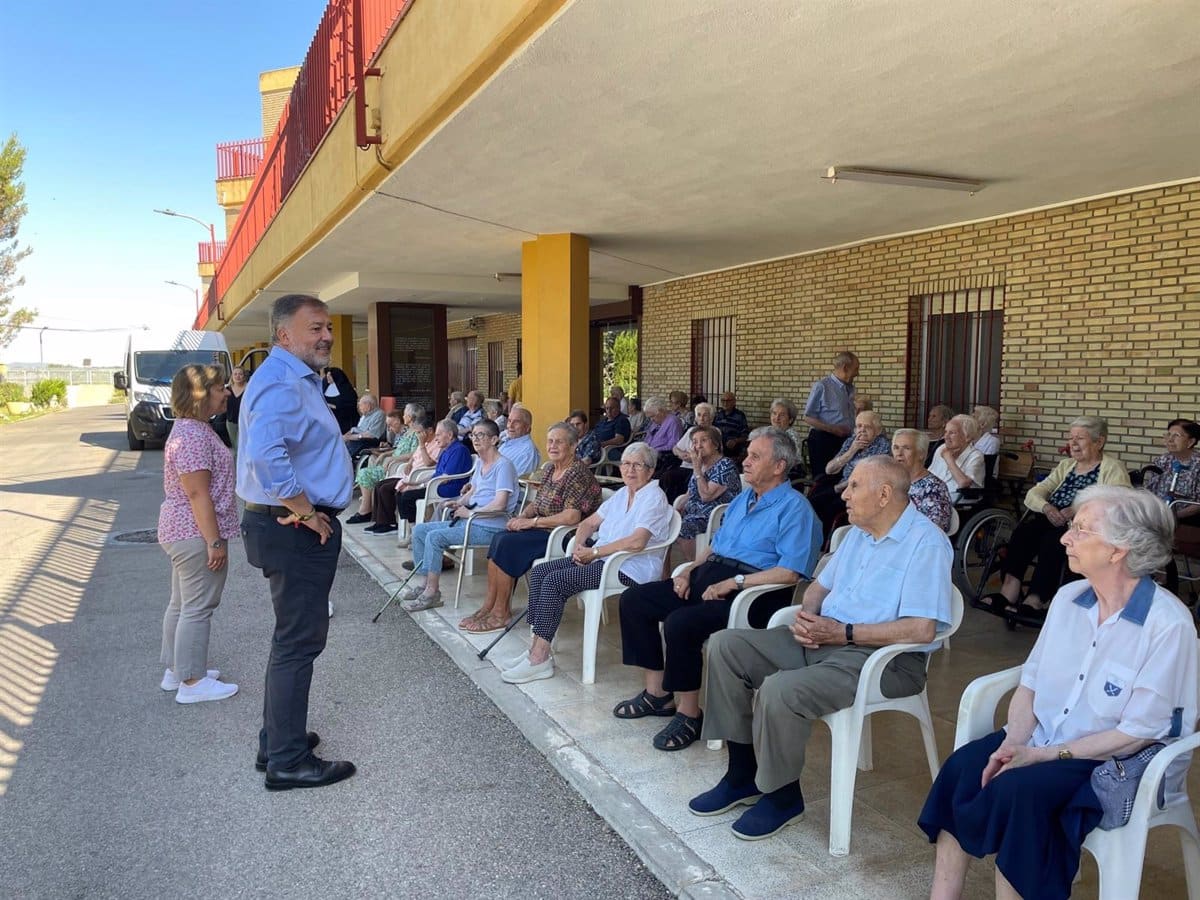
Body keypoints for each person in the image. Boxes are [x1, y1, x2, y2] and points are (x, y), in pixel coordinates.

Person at [920, 486, 1198, 900]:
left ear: (1119, 550)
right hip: (1039, 738)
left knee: (1020, 793)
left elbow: (1138, 732)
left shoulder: (1168, 625)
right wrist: (1014, 743)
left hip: (1108, 758)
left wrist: (1042, 755)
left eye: (1082, 529)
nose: (1066, 537)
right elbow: (1030, 683)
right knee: (963, 768)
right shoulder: (1069, 599)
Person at [689, 456, 952, 840]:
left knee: (781, 689)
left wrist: (843, 633)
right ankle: (742, 775)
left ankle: (782, 797)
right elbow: (817, 588)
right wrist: (808, 619)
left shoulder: (927, 543)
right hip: (826, 639)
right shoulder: (857, 534)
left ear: (883, 495)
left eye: (855, 486)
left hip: (883, 661)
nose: (844, 493)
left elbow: (921, 628)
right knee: (725, 647)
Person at [617, 428, 821, 751]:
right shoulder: (743, 499)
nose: (746, 461)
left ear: (780, 466)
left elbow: (790, 572)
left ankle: (689, 713)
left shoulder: (797, 510)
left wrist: (735, 583)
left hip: (754, 594)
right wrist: (688, 570)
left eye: (755, 456)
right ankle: (658, 695)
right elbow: (714, 547)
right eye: (748, 454)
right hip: (712, 576)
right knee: (635, 600)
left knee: (681, 623)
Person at [238, 294, 356, 791]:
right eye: (315, 328)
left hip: (286, 524)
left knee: (289, 638)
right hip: (293, 528)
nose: (326, 335)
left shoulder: (293, 378)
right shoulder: (284, 382)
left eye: (328, 327)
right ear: (284, 335)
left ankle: (278, 740)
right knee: (297, 643)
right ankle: (287, 761)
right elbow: (268, 457)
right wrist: (306, 511)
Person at [500, 442, 673, 685]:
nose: (629, 470)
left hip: (627, 568)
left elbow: (637, 542)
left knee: (556, 582)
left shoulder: (654, 497)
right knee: (540, 572)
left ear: (651, 471)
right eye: (625, 464)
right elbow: (588, 523)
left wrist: (594, 551)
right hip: (601, 559)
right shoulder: (622, 494)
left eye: (637, 465)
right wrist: (579, 548)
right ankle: (535, 648)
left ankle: (539, 660)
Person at [459, 421, 603, 634]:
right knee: (501, 537)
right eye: (550, 441)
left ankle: (501, 613)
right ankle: (488, 606)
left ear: (573, 447)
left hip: (565, 535)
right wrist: (523, 515)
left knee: (509, 544)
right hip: (545, 529)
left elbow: (572, 516)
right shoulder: (551, 469)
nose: (552, 446)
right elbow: (539, 502)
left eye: (559, 442)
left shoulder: (577, 473)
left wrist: (531, 523)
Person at [983, 416, 1130, 620]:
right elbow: (1034, 493)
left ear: (1099, 442)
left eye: (1080, 438)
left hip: (1083, 526)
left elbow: (1118, 498)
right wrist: (1047, 507)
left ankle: (1037, 598)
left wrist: (1077, 509)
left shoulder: (1113, 468)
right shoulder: (1066, 465)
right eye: (1071, 438)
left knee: (1053, 542)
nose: (1073, 444)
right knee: (1023, 533)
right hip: (1052, 517)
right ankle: (1009, 592)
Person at [157, 364, 240, 704]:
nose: (227, 393)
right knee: (197, 606)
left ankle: (177, 670)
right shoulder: (192, 436)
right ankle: (192, 681)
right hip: (195, 533)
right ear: (201, 394)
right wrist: (214, 541)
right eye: (221, 388)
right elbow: (197, 494)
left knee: (181, 603)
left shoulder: (191, 429)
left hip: (182, 531)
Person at [396, 419, 519, 612]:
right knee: (420, 531)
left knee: (435, 537)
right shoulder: (481, 462)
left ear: (495, 439)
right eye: (473, 435)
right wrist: (459, 502)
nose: (476, 439)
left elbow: (500, 503)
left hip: (490, 526)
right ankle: (423, 583)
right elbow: (475, 490)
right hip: (470, 521)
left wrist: (470, 512)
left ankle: (432, 592)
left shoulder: (503, 465)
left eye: (481, 435)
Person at [366, 418, 472, 538]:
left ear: (450, 435)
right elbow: (435, 474)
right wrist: (413, 482)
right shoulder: (446, 450)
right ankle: (413, 531)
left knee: (407, 496)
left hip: (447, 489)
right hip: (436, 485)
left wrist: (422, 485)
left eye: (438, 435)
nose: (436, 438)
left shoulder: (459, 450)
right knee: (402, 493)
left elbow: (446, 478)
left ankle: (416, 533)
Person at [669, 425, 742, 569]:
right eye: (695, 442)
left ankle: (693, 566)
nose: (698, 446)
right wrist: (675, 509)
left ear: (716, 444)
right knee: (665, 522)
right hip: (697, 512)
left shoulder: (725, 465)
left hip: (718, 514)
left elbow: (706, 496)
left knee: (684, 527)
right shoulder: (702, 464)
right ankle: (664, 571)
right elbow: (691, 493)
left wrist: (696, 469)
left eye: (703, 440)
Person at [809, 410, 890, 535]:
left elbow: (869, 476)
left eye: (867, 427)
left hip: (860, 491)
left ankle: (826, 542)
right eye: (859, 426)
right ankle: (814, 536)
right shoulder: (851, 442)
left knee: (830, 507)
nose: (862, 430)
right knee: (812, 500)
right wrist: (852, 450)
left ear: (878, 431)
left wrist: (839, 487)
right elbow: (829, 469)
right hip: (841, 485)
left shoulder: (882, 446)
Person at [347, 404, 425, 523]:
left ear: (410, 417)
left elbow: (414, 453)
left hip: (398, 467)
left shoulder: (416, 433)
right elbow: (398, 448)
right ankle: (367, 508)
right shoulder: (408, 432)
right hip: (392, 463)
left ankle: (366, 510)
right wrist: (385, 455)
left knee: (365, 473)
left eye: (404, 414)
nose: (403, 415)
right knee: (368, 467)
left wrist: (393, 459)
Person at [803, 351, 859, 476]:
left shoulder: (850, 388)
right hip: (824, 441)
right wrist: (833, 429)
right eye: (855, 369)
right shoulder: (822, 387)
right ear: (845, 368)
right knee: (824, 478)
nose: (857, 374)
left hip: (844, 440)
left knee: (842, 477)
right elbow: (807, 417)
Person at [892, 428, 953, 532]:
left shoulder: (934, 488)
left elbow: (934, 530)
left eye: (906, 448)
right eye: (896, 448)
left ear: (921, 454)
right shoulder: (890, 481)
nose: (899, 453)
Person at [1144, 418, 1200, 515]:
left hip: (1189, 521)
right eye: (1169, 434)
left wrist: (1173, 516)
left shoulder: (1197, 464)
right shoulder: (1162, 460)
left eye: (1176, 436)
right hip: (1159, 515)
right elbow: (1150, 491)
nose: (1170, 439)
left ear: (1190, 442)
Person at [928, 414, 986, 505]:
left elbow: (963, 483)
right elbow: (930, 474)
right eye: (946, 432)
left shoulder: (976, 456)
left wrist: (949, 459)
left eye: (952, 433)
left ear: (967, 437)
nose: (946, 437)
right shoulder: (941, 448)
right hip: (934, 498)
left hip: (959, 502)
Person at [643, 397, 684, 476]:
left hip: (663, 459)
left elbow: (674, 445)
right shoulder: (656, 422)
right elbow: (647, 439)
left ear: (661, 411)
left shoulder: (673, 421)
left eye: (652, 416)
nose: (651, 420)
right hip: (649, 455)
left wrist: (654, 450)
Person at [499, 405, 541, 475]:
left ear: (527, 427)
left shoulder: (527, 452)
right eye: (509, 421)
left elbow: (518, 483)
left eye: (516, 422)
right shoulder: (507, 443)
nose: (510, 426)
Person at [594, 396, 632, 462]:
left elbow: (619, 440)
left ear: (618, 408)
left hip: (612, 450)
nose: (609, 411)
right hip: (598, 448)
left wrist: (601, 444)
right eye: (607, 408)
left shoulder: (621, 420)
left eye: (612, 408)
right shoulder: (603, 421)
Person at [322, 366, 359, 433]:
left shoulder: (346, 389)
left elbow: (351, 405)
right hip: (328, 418)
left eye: (330, 376)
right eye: (327, 376)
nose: (328, 378)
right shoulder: (324, 386)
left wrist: (334, 406)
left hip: (344, 420)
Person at [714, 392, 750, 458]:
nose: (725, 403)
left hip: (732, 450)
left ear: (734, 402)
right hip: (717, 449)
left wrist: (735, 441)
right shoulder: (717, 415)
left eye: (728, 400)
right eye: (723, 400)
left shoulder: (740, 416)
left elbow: (745, 435)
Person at [224, 365, 248, 449]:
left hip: (245, 422)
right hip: (231, 422)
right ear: (232, 376)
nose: (238, 376)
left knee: (242, 446)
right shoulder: (227, 389)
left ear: (244, 376)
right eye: (235, 374)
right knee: (235, 447)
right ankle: (235, 462)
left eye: (240, 374)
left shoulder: (249, 388)